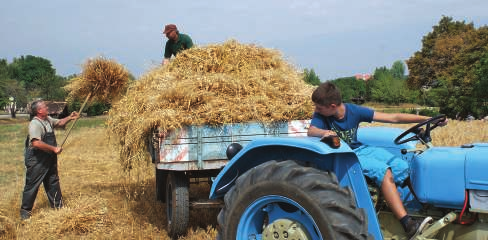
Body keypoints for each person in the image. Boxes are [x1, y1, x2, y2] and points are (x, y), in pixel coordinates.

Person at [307, 82, 447, 239]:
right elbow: (311, 131)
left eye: (319, 107)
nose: (316, 110)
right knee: (383, 171)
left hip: (360, 149)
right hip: (345, 155)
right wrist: (324, 132)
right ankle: (407, 224)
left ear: (332, 106)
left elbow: (393, 117)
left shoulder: (353, 110)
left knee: (402, 167)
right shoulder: (321, 115)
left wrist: (429, 119)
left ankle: (425, 207)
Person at [20, 100, 79, 220]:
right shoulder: (35, 124)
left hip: (49, 157)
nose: (47, 108)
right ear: (39, 111)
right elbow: (36, 143)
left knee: (53, 181)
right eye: (45, 106)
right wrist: (54, 148)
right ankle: (25, 213)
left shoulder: (48, 119)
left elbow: (60, 123)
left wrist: (70, 117)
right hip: (37, 159)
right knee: (32, 185)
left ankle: (58, 207)